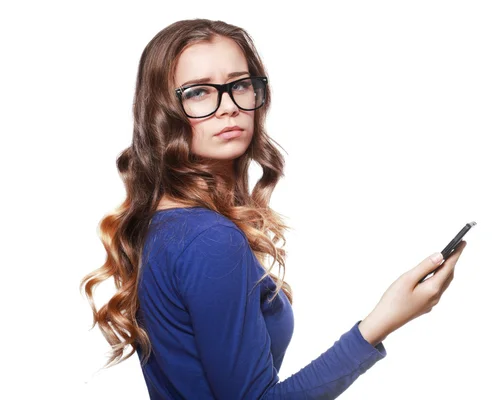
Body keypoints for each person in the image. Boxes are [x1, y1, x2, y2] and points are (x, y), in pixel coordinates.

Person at [80, 18, 468, 399]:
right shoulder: (208, 238)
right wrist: (382, 322)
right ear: (163, 110)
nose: (228, 106)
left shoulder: (164, 225)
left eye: (240, 85)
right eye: (198, 92)